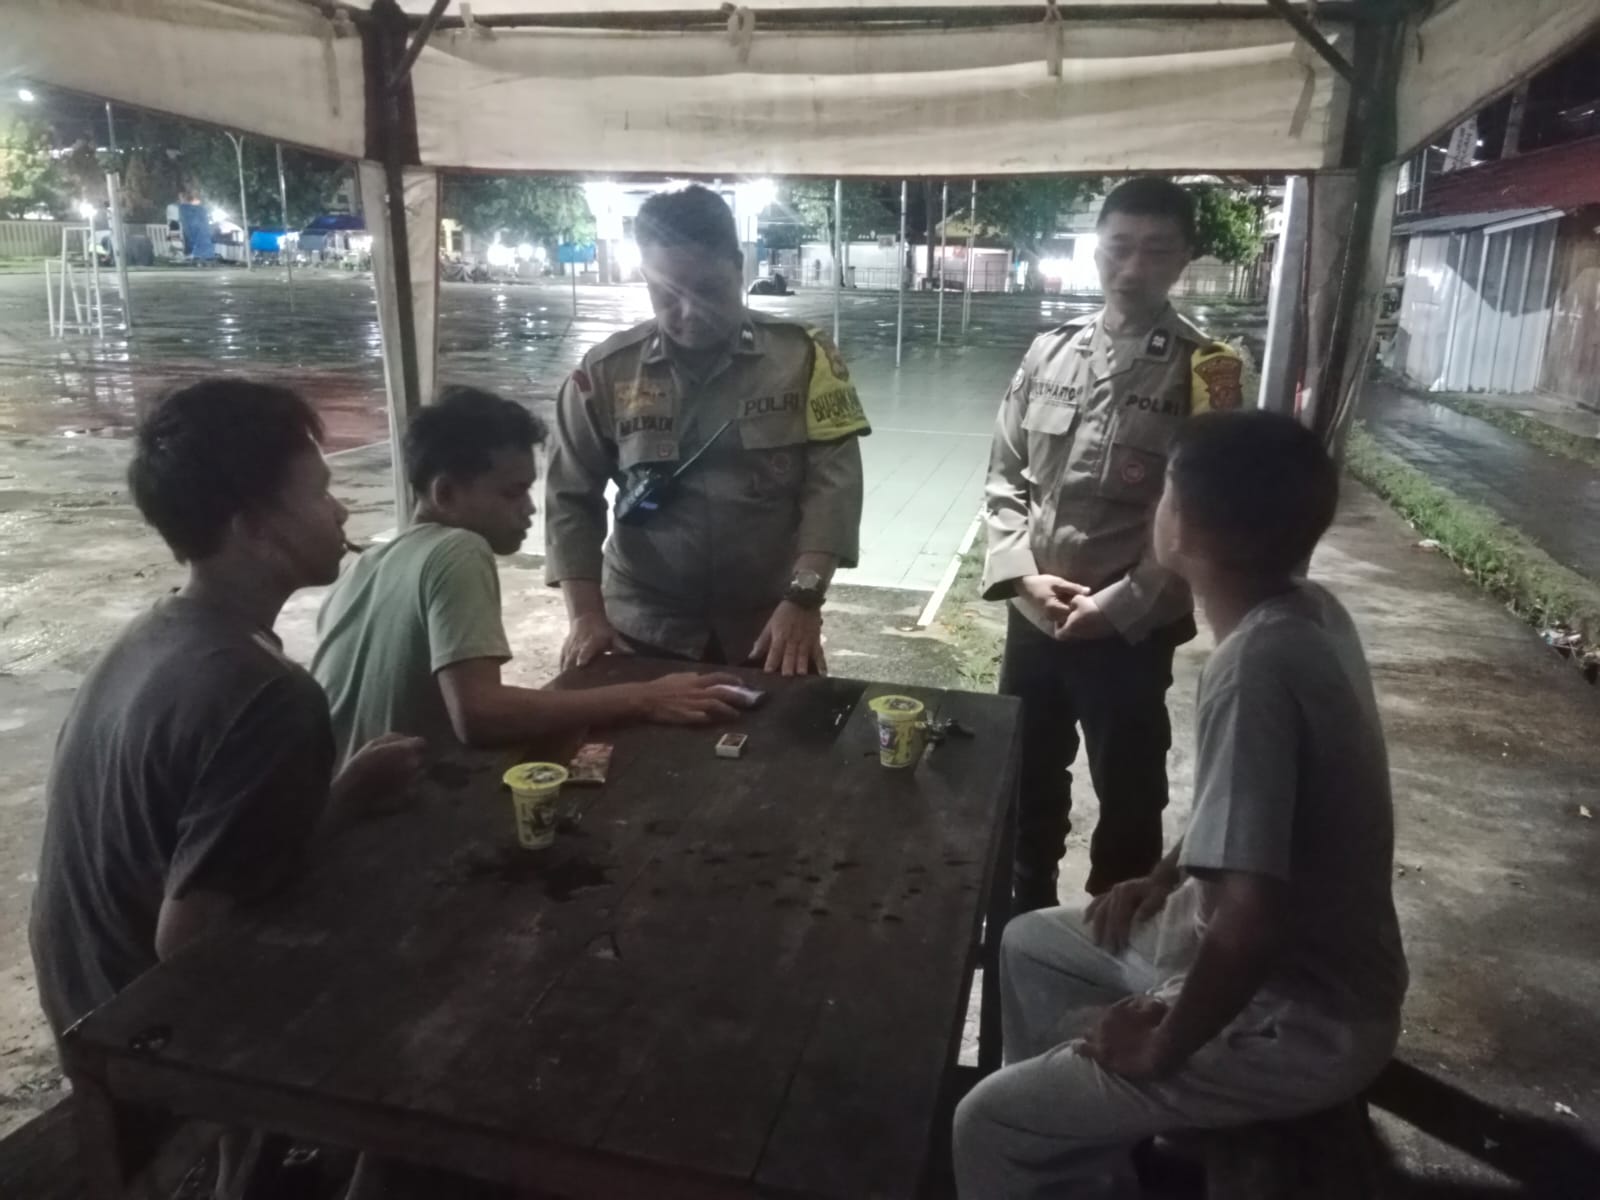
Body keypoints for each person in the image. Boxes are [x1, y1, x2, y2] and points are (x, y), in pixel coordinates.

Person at [954, 411, 1408, 1199]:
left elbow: (1251, 922)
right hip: (1292, 968)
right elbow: (1248, 805)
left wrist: (1162, 1048)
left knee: (989, 1122)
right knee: (1031, 944)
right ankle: (1083, 1157)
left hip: (1304, 1016)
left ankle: (1052, 1131)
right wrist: (1163, 877)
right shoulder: (1310, 612)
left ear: (1184, 528)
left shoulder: (1253, 670)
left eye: (1164, 489)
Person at [28, 379, 422, 1197]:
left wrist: (343, 796)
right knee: (432, 994)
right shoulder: (269, 695)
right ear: (254, 526)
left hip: (82, 1000)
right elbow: (191, 944)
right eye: (319, 492)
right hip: (150, 1043)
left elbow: (202, 857)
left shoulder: (158, 634)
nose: (342, 510)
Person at [982, 177, 1245, 908]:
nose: (1132, 267)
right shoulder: (1050, 351)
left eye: (1155, 250)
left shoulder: (1207, 370)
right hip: (1036, 618)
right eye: (1118, 247)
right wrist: (1022, 577)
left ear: (1184, 258)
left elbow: (1203, 510)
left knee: (1130, 798)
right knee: (1024, 784)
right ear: (1095, 249)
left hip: (1131, 631)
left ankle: (1113, 936)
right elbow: (1004, 476)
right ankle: (1020, 926)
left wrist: (1121, 604)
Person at [544, 184, 870, 677]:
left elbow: (833, 489)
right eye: (667, 295)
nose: (689, 312)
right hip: (642, 628)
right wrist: (586, 615)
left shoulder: (803, 359)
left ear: (739, 268)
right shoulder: (605, 373)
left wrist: (805, 599)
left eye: (708, 290)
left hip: (771, 629)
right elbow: (569, 498)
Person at [312, 385, 741, 759]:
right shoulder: (457, 549)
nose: (530, 509)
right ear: (445, 492)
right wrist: (644, 697)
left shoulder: (363, 567)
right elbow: (479, 715)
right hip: (408, 811)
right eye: (512, 493)